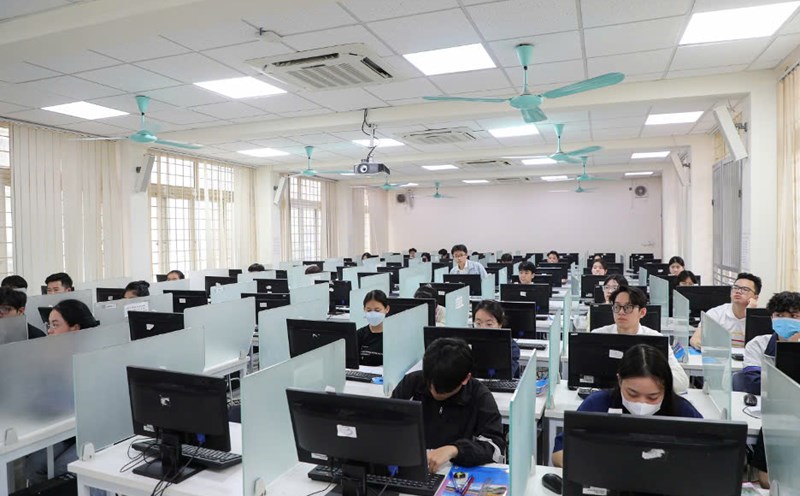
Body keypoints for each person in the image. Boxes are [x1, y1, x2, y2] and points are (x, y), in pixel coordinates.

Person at [551, 343, 702, 467]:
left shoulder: (682, 411)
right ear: (619, 381)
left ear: (666, 389)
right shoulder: (597, 404)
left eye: (652, 397)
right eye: (632, 394)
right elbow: (559, 452)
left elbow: (711, 456)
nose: (641, 403)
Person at [391, 338, 505, 472]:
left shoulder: (480, 396)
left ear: (465, 379)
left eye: (443, 390)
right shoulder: (412, 382)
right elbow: (388, 420)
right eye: (430, 385)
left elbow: (495, 448)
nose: (434, 392)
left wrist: (456, 449)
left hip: (458, 472)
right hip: (411, 465)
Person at [593, 287, 689, 393]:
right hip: (605, 394)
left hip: (645, 397)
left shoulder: (656, 340)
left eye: (628, 307)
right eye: (617, 307)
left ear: (642, 312)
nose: (620, 312)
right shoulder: (598, 335)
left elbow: (682, 382)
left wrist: (649, 377)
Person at [733, 291, 800, 394]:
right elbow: (753, 384)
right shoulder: (757, 345)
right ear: (771, 318)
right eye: (780, 315)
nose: (786, 320)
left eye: (794, 316)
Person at [690, 272, 761, 350]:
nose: (738, 291)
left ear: (755, 297)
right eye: (735, 287)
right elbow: (695, 339)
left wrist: (750, 315)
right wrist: (703, 347)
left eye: (745, 289)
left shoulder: (760, 319)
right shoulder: (716, 313)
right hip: (720, 359)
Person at [473, 300, 520, 378]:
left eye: (489, 324)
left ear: (500, 324)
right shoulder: (468, 346)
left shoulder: (512, 347)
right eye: (478, 323)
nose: (482, 328)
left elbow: (506, 375)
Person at [356, 290, 390, 366]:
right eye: (369, 310)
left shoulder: (394, 335)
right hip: (363, 376)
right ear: (364, 309)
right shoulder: (358, 335)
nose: (373, 313)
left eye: (377, 310)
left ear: (387, 309)